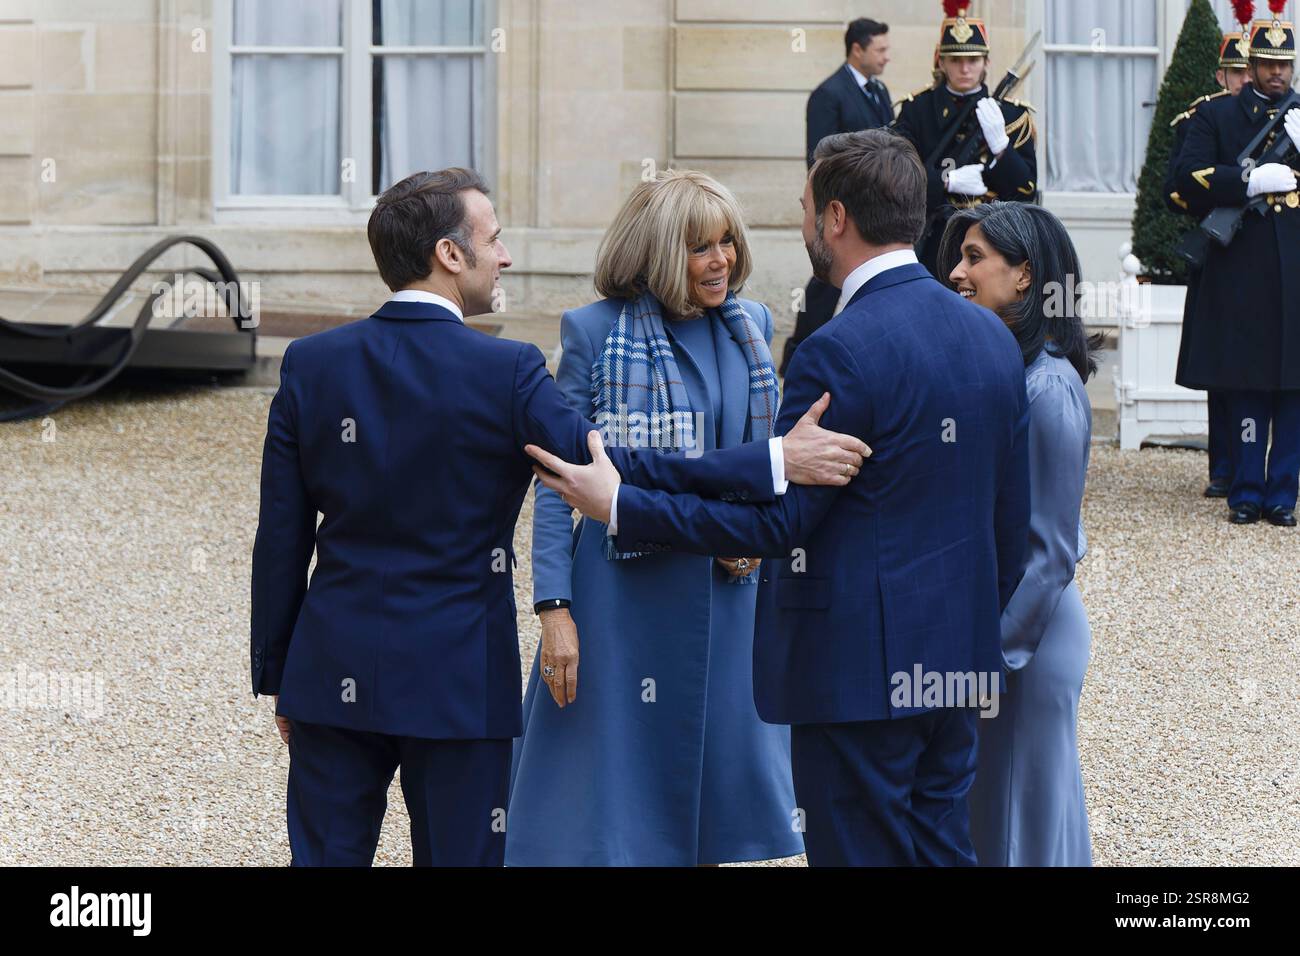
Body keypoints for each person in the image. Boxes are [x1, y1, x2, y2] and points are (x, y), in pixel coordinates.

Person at [248, 168, 867, 866]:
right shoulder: (507, 370)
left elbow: (279, 539)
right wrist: (772, 462)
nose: (506, 257)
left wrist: (279, 676)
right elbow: (613, 465)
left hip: (330, 671)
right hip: (459, 682)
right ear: (450, 255)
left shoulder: (310, 364)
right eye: (494, 239)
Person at [527, 129, 1033, 867]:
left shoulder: (836, 346)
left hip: (854, 675)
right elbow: (1008, 530)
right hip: (955, 662)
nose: (728, 256)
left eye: (800, 208)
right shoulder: (990, 336)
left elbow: (784, 521)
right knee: (940, 849)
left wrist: (626, 500)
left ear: (834, 217)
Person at [507, 171, 807, 866]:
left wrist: (755, 539)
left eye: (727, 241)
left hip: (729, 587)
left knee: (717, 789)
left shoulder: (752, 324)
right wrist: (555, 608)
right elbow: (557, 482)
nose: (722, 260)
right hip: (621, 597)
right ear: (661, 253)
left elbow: (762, 464)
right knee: (611, 801)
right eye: (701, 247)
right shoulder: (592, 331)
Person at [938, 201, 1101, 867]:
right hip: (998, 634)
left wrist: (991, 660)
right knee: (994, 816)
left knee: (1021, 822)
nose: (955, 272)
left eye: (974, 257)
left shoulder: (1051, 390)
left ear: (1026, 276)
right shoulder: (1004, 370)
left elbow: (1051, 550)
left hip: (1027, 645)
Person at [1173, 4, 1300, 527]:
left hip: (1294, 271)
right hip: (1243, 270)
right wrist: (1247, 182)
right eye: (1267, 63)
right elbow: (1186, 178)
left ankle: (1284, 493)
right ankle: (1246, 489)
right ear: (1251, 62)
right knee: (1247, 385)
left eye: (1284, 65)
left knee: (1294, 387)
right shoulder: (1217, 116)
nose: (1275, 73)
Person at [1166, 12, 1252, 499]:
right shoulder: (1203, 118)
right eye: (1235, 72)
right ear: (1221, 75)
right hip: (1220, 249)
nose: (1243, 79)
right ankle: (1224, 466)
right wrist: (1221, 194)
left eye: (1249, 70)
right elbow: (1174, 188)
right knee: (1223, 365)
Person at [892, 1, 1038, 278]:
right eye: (955, 60)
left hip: (994, 240)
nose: (965, 69)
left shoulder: (1011, 115)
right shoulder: (917, 111)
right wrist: (947, 182)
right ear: (941, 62)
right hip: (932, 241)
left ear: (986, 62)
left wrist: (1001, 149)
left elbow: (1026, 190)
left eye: (973, 60)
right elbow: (897, 179)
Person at [783, 17, 894, 375]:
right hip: (840, 206)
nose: (886, 57)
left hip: (874, 205)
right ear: (857, 49)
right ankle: (799, 355)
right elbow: (819, 157)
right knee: (826, 279)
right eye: (880, 49)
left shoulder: (879, 92)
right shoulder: (828, 94)